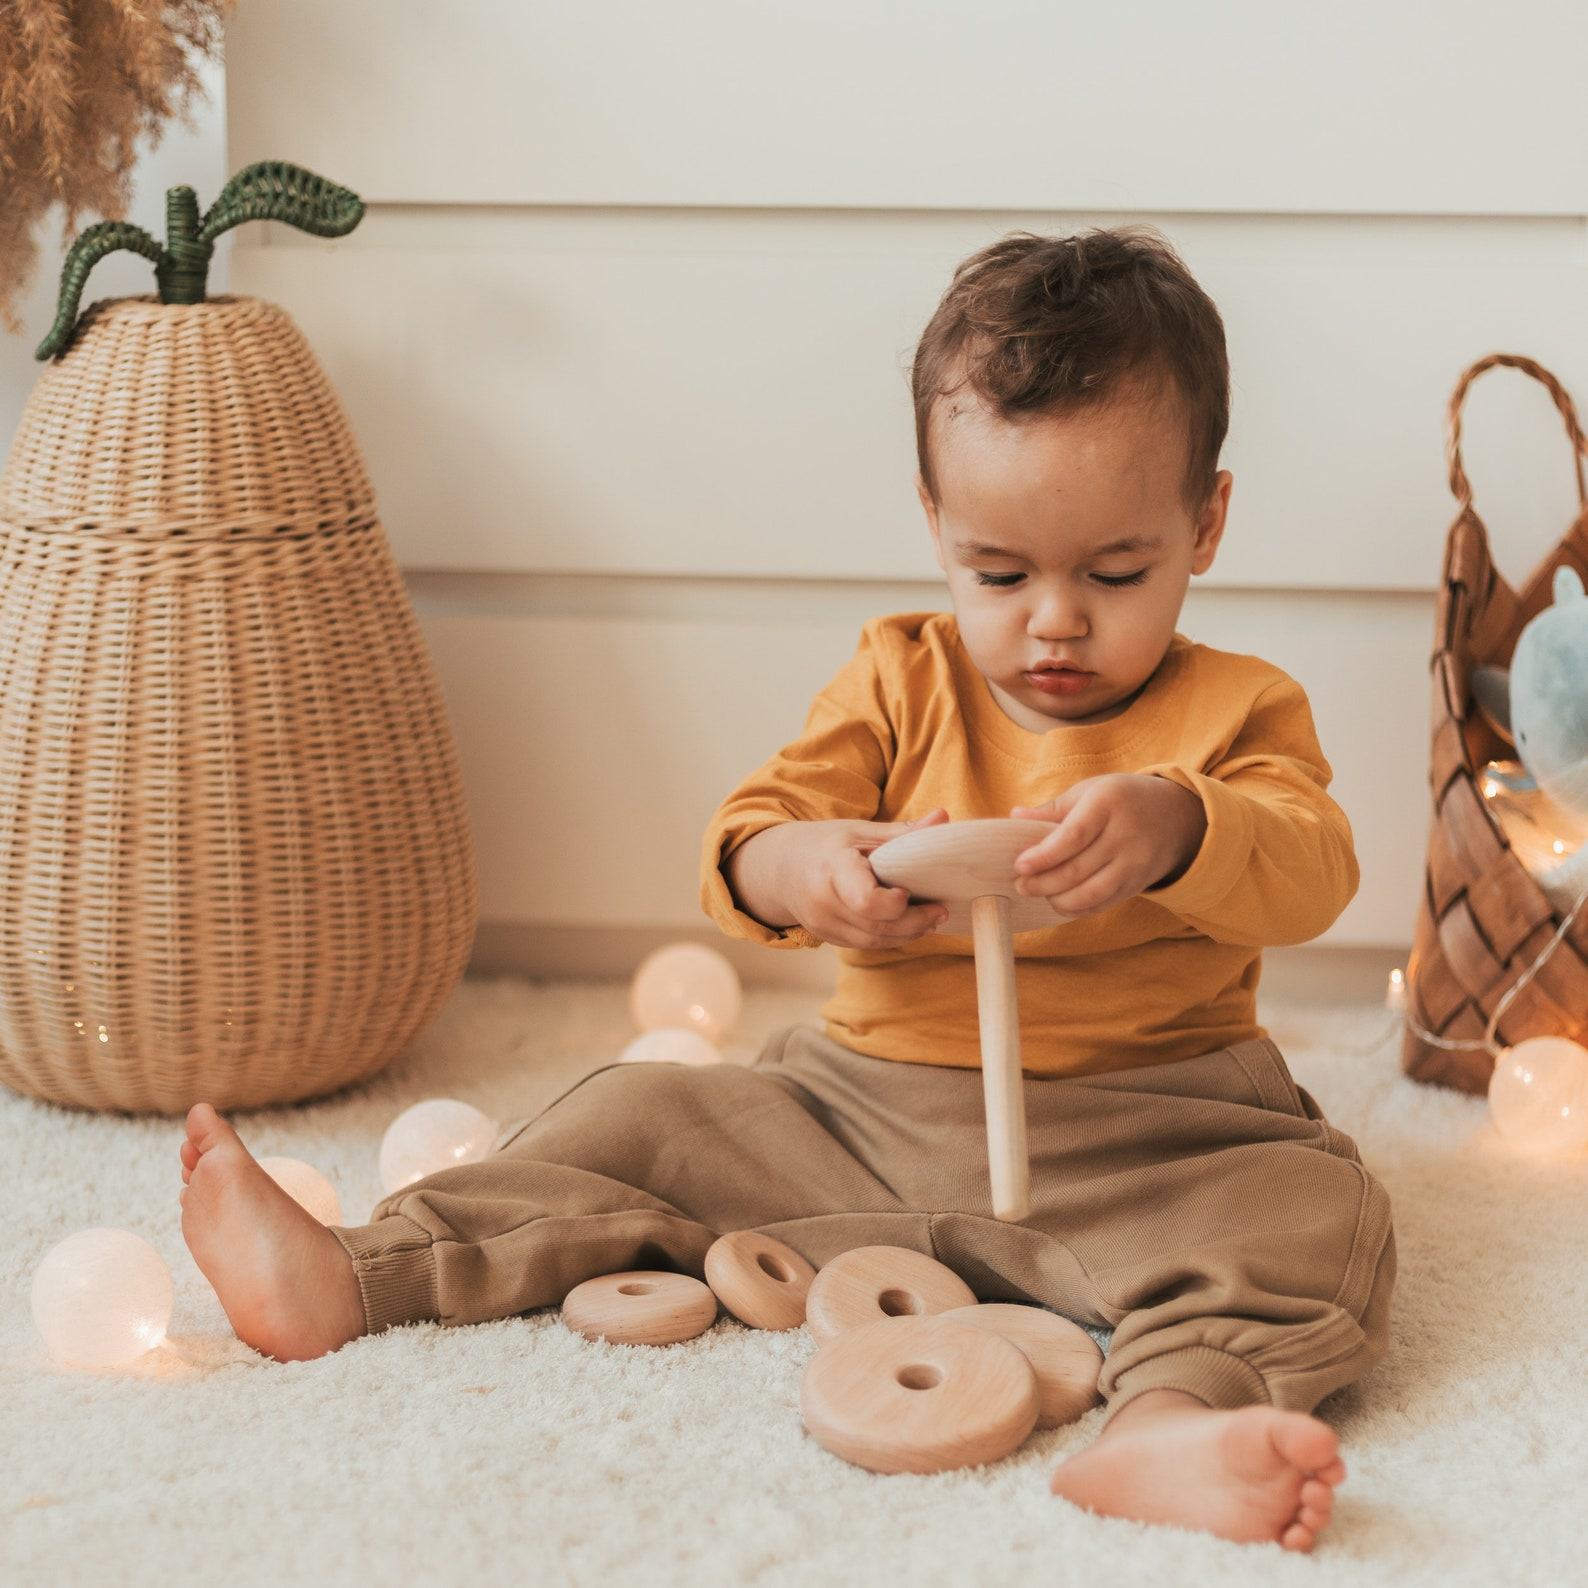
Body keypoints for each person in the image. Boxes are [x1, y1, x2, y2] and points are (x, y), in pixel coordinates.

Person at [178, 226, 1393, 1553]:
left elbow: (1312, 863)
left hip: (1153, 1130)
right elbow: (748, 839)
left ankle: (1165, 1423)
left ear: (1205, 524)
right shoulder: (895, 678)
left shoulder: (1238, 710)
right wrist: (812, 869)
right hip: (856, 1110)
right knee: (632, 1115)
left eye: (1115, 573)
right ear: (934, 520)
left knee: (1316, 1211)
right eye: (999, 571)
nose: (1053, 620)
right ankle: (362, 1272)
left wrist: (1177, 827)